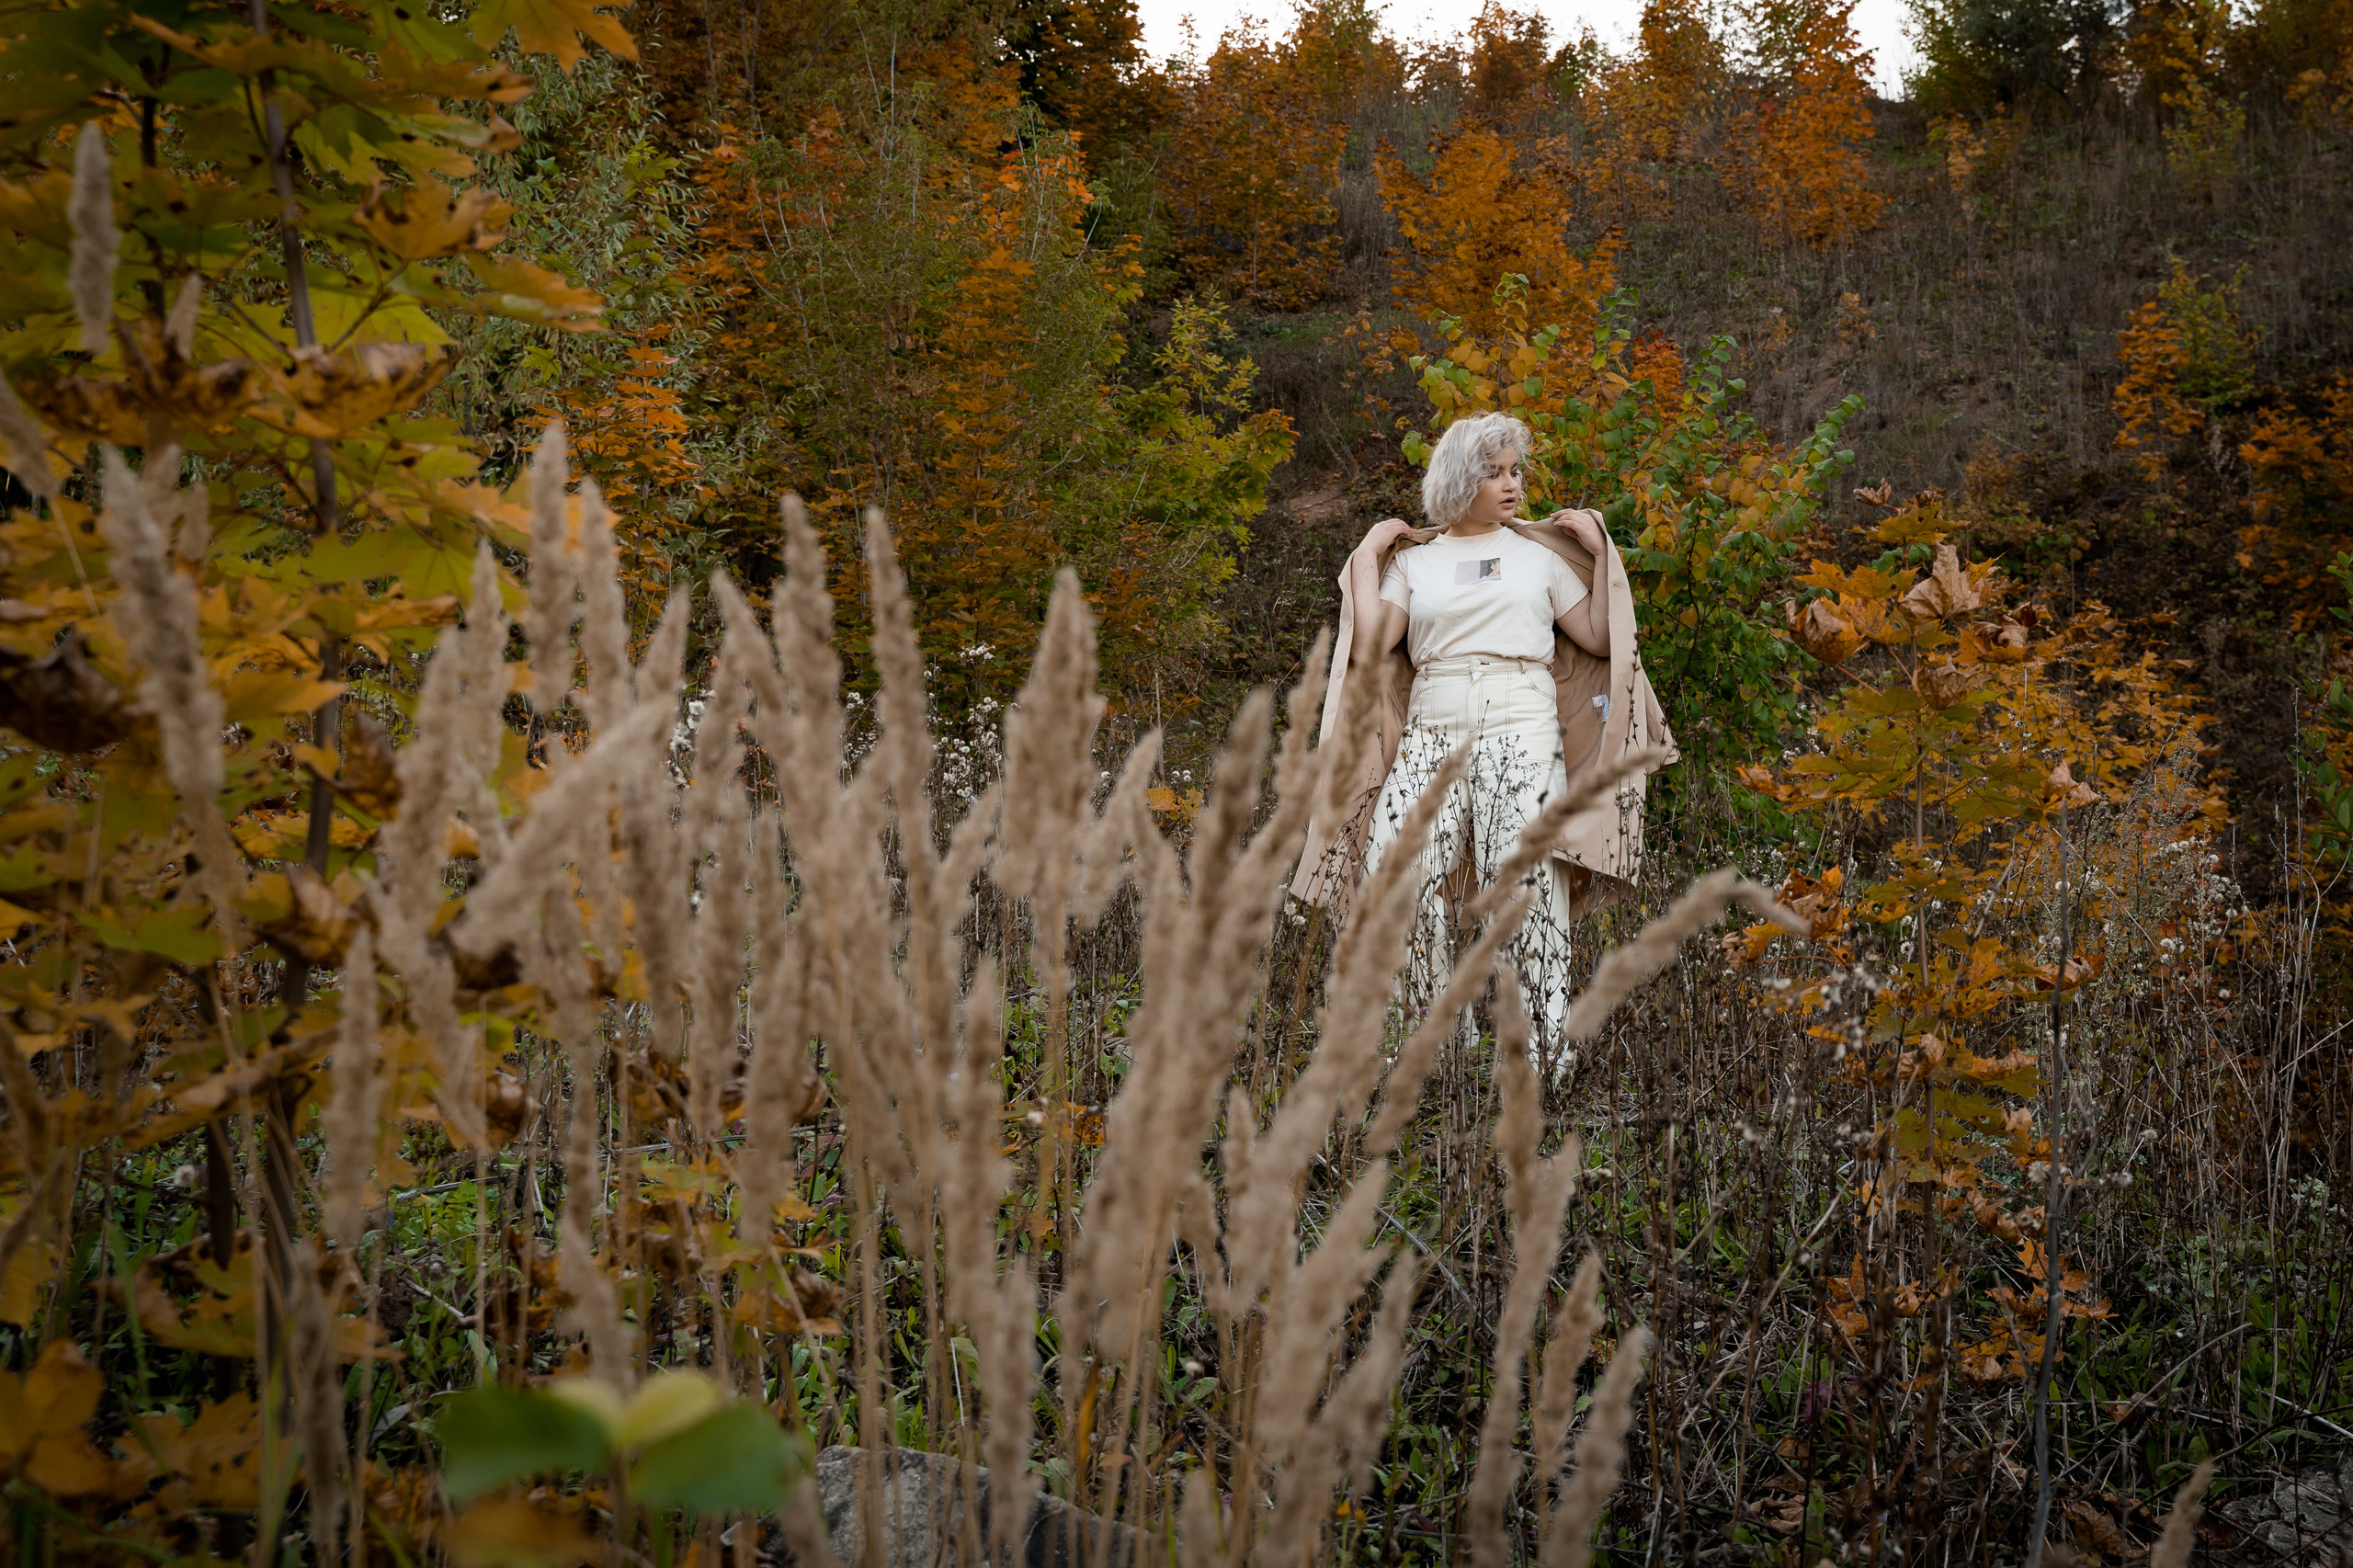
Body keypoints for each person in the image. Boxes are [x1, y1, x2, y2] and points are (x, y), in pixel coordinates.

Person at [1291, 411, 1677, 1063]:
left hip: (1521, 721)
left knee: (1525, 883)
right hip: (1433, 725)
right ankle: (1428, 1047)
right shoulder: (1415, 564)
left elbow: (1603, 639)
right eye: (1493, 472)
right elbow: (1371, 645)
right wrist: (1367, 553)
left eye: (1515, 470)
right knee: (1395, 871)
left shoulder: (1537, 557)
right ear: (1458, 480)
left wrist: (1600, 548)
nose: (1511, 484)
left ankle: (1540, 1055)